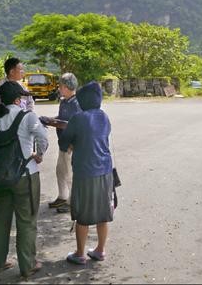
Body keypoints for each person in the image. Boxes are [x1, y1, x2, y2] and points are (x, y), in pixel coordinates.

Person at [0, 81, 49, 278]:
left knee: (0, 220)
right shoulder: (28, 117)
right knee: (26, 221)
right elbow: (43, 138)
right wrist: (39, 154)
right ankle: (27, 265)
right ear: (17, 99)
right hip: (25, 176)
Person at [59, 81, 114, 265]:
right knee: (102, 212)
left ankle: (80, 253)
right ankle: (100, 250)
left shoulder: (78, 118)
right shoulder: (104, 117)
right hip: (105, 171)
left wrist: (71, 142)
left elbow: (64, 143)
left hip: (85, 172)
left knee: (82, 214)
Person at [40, 73, 82, 214]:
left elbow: (71, 124)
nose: (59, 88)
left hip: (72, 145)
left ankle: (73, 201)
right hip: (63, 143)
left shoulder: (77, 103)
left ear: (67, 87)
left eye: (61, 86)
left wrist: (51, 122)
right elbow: (61, 119)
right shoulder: (64, 101)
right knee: (61, 172)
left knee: (70, 175)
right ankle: (63, 196)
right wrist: (51, 119)